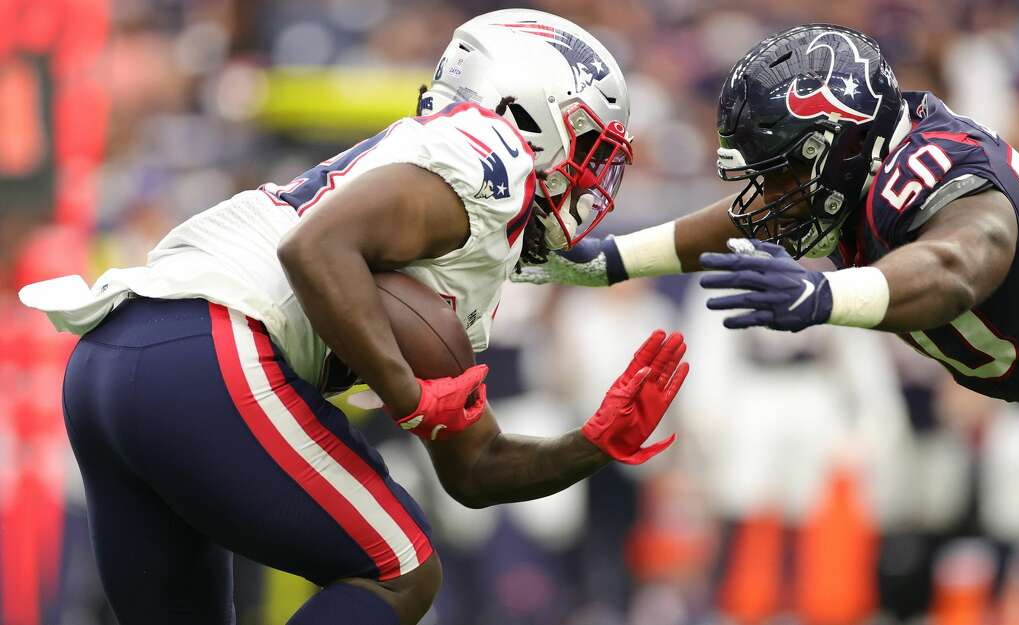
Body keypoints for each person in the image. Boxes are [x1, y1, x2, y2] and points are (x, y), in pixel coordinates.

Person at [17, 9, 689, 625]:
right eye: (589, 148)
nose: (591, 178)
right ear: (531, 117)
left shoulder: (458, 213)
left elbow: (474, 470)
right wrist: (409, 395)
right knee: (401, 571)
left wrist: (593, 444)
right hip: (209, 346)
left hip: (111, 356)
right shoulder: (489, 155)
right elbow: (314, 247)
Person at [513, 23, 1019, 624]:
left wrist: (824, 297)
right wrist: (610, 261)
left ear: (838, 147)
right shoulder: (862, 167)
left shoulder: (937, 175)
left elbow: (961, 262)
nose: (765, 201)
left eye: (780, 175)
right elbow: (743, 216)